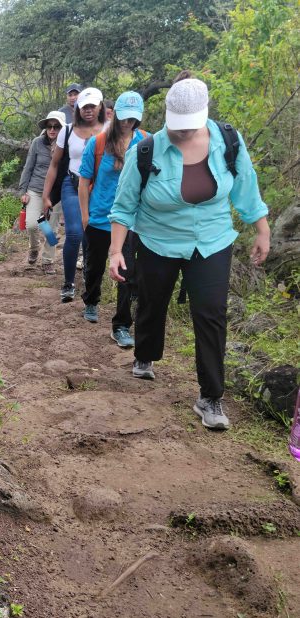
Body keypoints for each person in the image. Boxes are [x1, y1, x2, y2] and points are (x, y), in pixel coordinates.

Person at [108, 75, 270, 431]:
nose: (182, 133)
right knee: (153, 301)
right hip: (158, 240)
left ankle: (210, 396)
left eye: (189, 127)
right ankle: (145, 355)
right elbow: (124, 207)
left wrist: (261, 228)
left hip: (211, 241)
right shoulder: (146, 151)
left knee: (211, 313)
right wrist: (116, 251)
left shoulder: (227, 141)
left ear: (204, 114)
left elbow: (246, 186)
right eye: (175, 126)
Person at [77, 91, 148, 347]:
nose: (128, 122)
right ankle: (91, 300)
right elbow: (84, 182)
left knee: (127, 274)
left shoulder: (147, 143)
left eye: (133, 118)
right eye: (124, 117)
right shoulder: (97, 143)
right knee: (94, 266)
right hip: (100, 216)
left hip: (132, 220)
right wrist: (85, 216)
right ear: (115, 114)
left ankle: (121, 326)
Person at [43, 87, 106, 302]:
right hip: (72, 184)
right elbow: (54, 164)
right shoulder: (67, 130)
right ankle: (68, 282)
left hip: (99, 189)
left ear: (100, 107)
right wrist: (46, 195)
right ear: (77, 108)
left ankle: (92, 280)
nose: (88, 110)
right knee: (74, 233)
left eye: (92, 106)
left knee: (94, 235)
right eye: (84, 106)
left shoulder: (109, 129)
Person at [17, 110, 65, 271]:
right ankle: (34, 248)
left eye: (56, 126)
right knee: (32, 224)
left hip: (55, 192)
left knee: (50, 229)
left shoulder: (67, 145)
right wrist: (23, 190)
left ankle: (47, 261)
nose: (52, 129)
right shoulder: (37, 142)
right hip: (35, 189)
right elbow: (28, 166)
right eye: (49, 126)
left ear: (62, 128)